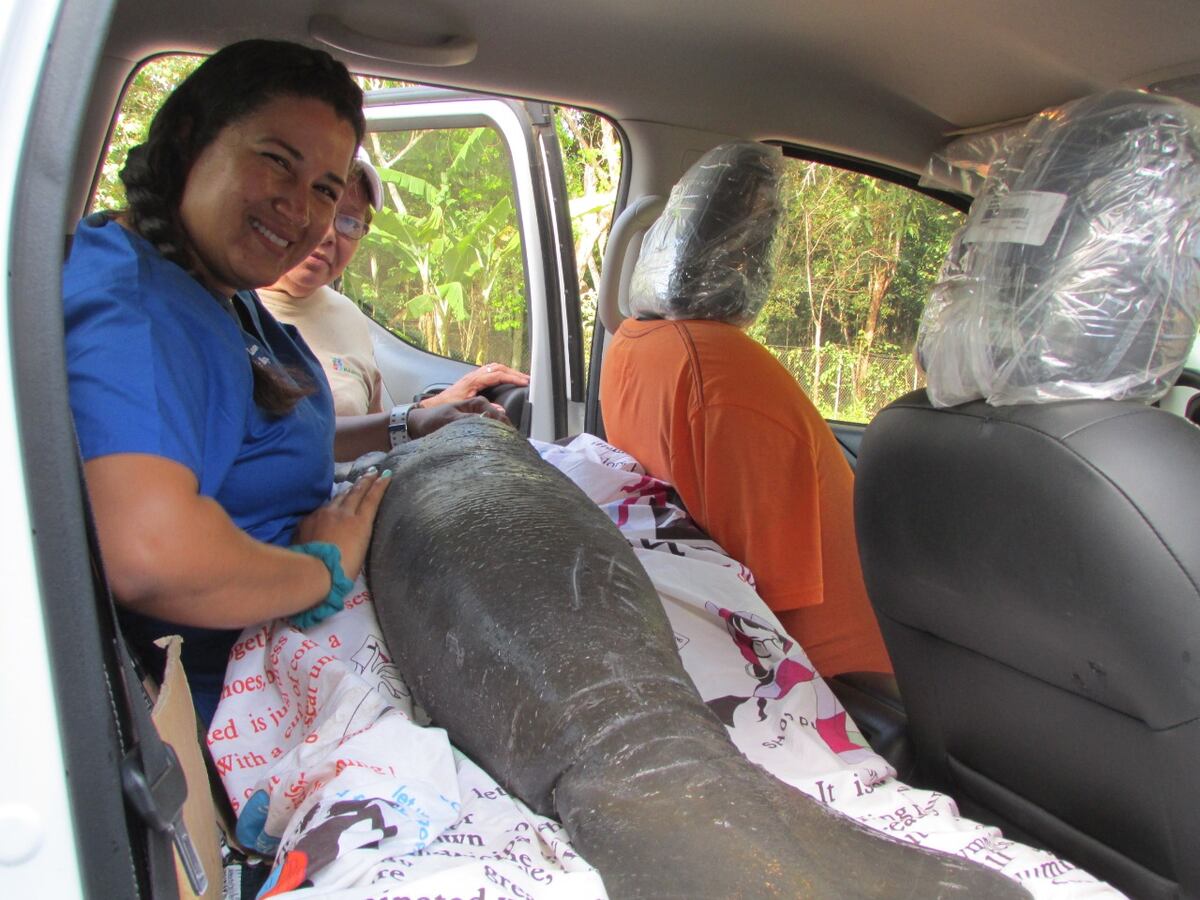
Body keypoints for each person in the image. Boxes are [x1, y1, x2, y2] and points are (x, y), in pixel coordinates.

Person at [63, 39, 502, 725]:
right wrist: (320, 572)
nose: (299, 211)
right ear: (191, 136)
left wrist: (406, 424)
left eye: (326, 190)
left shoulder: (214, 290)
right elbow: (153, 554)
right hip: (250, 706)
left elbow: (258, 440)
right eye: (276, 162)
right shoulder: (141, 313)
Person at [599, 141, 892, 678]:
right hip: (843, 684)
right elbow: (773, 615)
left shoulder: (631, 345)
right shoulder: (724, 373)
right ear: (749, 253)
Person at [259, 148, 529, 419]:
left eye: (349, 221)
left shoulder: (348, 316)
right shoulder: (235, 310)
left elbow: (373, 434)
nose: (328, 233)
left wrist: (442, 406)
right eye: (319, 204)